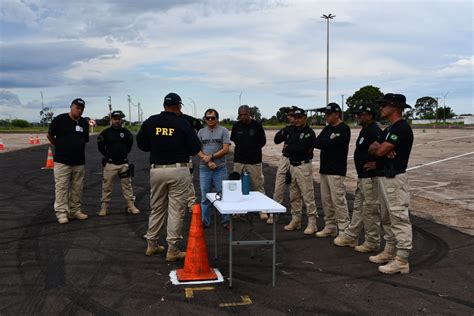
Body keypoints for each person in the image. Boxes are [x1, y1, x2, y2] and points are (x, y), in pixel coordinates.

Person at [136, 92, 201, 262]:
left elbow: (142, 144)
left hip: (157, 169)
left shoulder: (151, 121)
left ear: (164, 105)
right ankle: (172, 249)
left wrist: (158, 145)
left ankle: (151, 244)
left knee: (157, 207)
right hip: (178, 169)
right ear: (178, 106)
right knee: (176, 210)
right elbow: (195, 148)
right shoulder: (183, 123)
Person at [368, 93, 414, 274]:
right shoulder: (389, 129)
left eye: (384, 105)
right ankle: (390, 250)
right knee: (386, 217)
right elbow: (373, 147)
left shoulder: (401, 128)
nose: (381, 108)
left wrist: (381, 149)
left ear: (394, 106)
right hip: (384, 177)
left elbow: (379, 151)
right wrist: (381, 149)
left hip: (394, 179)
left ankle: (402, 259)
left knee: (398, 217)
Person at [333, 104, 382, 252]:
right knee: (358, 207)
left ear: (370, 116)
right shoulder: (365, 130)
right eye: (358, 115)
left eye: (361, 115)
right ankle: (351, 235)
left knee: (370, 209)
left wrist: (377, 163)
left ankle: (372, 241)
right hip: (363, 177)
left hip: (370, 177)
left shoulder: (374, 130)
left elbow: (385, 148)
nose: (358, 117)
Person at [47, 98, 89, 224]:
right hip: (62, 161)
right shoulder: (60, 119)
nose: (79, 110)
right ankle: (61, 213)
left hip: (79, 161)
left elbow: (84, 140)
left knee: (77, 188)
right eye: (77, 108)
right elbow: (50, 135)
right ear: (71, 107)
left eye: (82, 108)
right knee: (62, 188)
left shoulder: (84, 123)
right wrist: (59, 145)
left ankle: (74, 211)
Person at [314, 103, 351, 238]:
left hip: (336, 170)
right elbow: (316, 142)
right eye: (325, 114)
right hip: (324, 169)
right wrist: (328, 142)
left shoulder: (344, 128)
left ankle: (344, 230)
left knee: (338, 201)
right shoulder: (327, 129)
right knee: (326, 201)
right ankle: (330, 226)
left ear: (337, 114)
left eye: (328, 114)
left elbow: (334, 143)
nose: (326, 117)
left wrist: (327, 143)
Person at [97, 110, 140, 216]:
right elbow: (101, 147)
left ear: (121, 120)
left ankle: (131, 206)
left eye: (119, 119)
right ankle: (104, 208)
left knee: (127, 186)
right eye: (115, 119)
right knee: (106, 187)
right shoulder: (105, 133)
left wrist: (122, 154)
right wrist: (108, 156)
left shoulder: (126, 133)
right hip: (110, 164)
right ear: (111, 120)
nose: (117, 121)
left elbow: (129, 146)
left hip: (123, 164)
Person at [283, 108, 318, 235]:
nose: (296, 120)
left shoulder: (309, 132)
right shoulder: (292, 131)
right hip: (292, 165)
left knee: (308, 195)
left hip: (303, 166)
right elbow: (286, 148)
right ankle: (296, 220)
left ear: (305, 118)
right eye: (295, 117)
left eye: (299, 117)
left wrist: (291, 148)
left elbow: (304, 149)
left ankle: (312, 222)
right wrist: (292, 148)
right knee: (294, 195)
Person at [230, 105, 268, 221]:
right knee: (236, 186)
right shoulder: (236, 126)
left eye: (245, 114)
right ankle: (238, 210)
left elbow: (262, 141)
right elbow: (234, 139)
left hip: (254, 160)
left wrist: (252, 149)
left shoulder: (257, 125)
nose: (243, 117)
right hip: (239, 160)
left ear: (249, 113)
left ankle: (262, 209)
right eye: (240, 115)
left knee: (258, 185)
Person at [197, 108, 231, 228]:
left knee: (222, 194)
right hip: (204, 168)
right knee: (205, 195)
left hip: (220, 168)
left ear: (217, 118)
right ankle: (205, 221)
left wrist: (210, 157)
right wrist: (207, 160)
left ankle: (226, 221)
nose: (210, 120)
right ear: (205, 119)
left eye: (213, 117)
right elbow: (197, 149)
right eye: (208, 118)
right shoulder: (201, 132)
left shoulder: (223, 131)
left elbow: (226, 149)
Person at [271, 106, 296, 225]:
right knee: (279, 186)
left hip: (297, 160)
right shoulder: (287, 129)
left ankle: (296, 216)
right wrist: (283, 132)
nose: (289, 117)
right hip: (285, 158)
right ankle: (274, 213)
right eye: (288, 115)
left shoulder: (303, 130)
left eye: (291, 115)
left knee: (295, 189)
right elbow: (276, 139)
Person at [177, 109, 204, 210]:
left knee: (188, 180)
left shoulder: (188, 120)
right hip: (170, 156)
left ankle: (191, 203)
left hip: (186, 155)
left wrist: (194, 141)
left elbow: (201, 129)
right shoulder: (166, 120)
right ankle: (178, 203)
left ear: (179, 106)